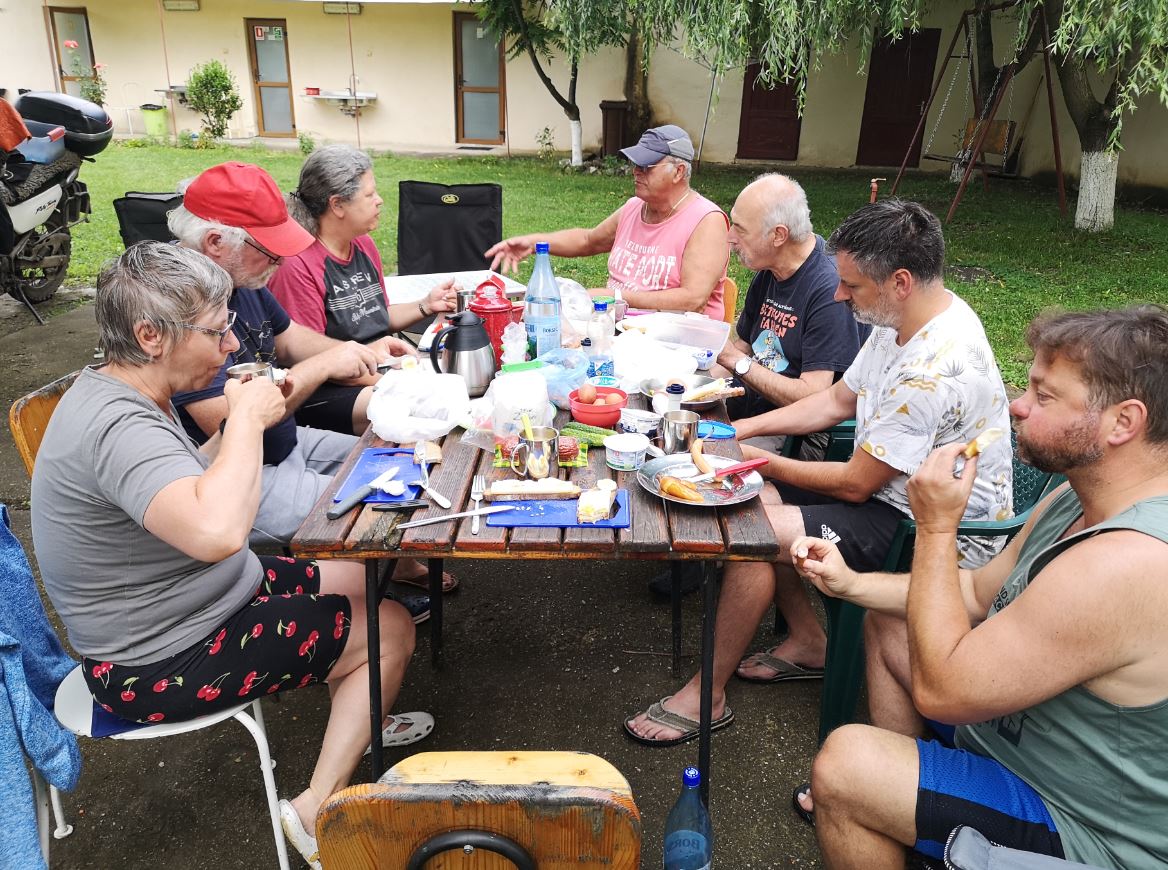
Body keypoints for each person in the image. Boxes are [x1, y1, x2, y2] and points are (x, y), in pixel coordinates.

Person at [29, 243, 433, 870]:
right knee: (391, 629)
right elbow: (218, 532)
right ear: (150, 335)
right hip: (155, 659)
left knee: (362, 572)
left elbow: (199, 481)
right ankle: (315, 810)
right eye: (218, 332)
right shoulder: (117, 426)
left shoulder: (131, 392)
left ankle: (362, 704)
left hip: (203, 597)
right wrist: (245, 422)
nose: (230, 348)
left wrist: (261, 404)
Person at [624, 199, 1013, 744]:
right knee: (756, 510)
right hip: (895, 496)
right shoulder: (906, 314)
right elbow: (835, 401)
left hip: (931, 531)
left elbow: (857, 482)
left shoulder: (932, 369)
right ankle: (809, 641)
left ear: (900, 281)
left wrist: (753, 464)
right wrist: (740, 433)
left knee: (746, 530)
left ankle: (706, 696)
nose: (837, 294)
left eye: (851, 286)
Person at [792, 306, 1168, 869]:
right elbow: (972, 596)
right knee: (893, 624)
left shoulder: (1127, 562)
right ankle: (910, 825)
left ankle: (880, 806)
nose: (1017, 404)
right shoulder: (1077, 498)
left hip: (1081, 823)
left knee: (845, 768)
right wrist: (850, 583)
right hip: (1016, 745)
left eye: (1043, 396)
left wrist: (938, 526)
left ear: (1123, 422)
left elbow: (944, 692)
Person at [168, 161, 456, 595]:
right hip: (242, 473)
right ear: (214, 244)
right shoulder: (180, 309)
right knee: (383, 506)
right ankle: (360, 603)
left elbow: (290, 337)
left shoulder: (241, 281)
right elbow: (234, 428)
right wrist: (322, 367)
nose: (280, 260)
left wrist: (357, 351)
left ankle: (379, 578)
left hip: (288, 441)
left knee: (409, 465)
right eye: (268, 250)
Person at [648, 172, 868, 598]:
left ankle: (708, 554)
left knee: (701, 461)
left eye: (740, 230)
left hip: (800, 434)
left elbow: (815, 394)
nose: (730, 238)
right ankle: (697, 550)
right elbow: (742, 346)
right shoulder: (769, 269)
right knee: (667, 428)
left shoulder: (826, 288)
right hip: (752, 410)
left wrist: (737, 364)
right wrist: (686, 390)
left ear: (778, 234)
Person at [269, 145, 458, 431]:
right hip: (326, 388)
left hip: (378, 366)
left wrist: (426, 305)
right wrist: (397, 377)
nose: (379, 201)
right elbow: (310, 357)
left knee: (450, 386)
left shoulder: (363, 245)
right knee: (420, 407)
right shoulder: (298, 264)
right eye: (369, 195)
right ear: (337, 205)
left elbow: (376, 318)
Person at [485, 125, 730, 319]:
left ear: (678, 172)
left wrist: (616, 296)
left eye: (646, 166)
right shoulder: (634, 208)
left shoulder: (706, 221)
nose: (635, 171)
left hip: (678, 344)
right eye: (635, 164)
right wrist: (533, 242)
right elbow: (587, 240)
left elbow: (692, 299)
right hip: (617, 330)